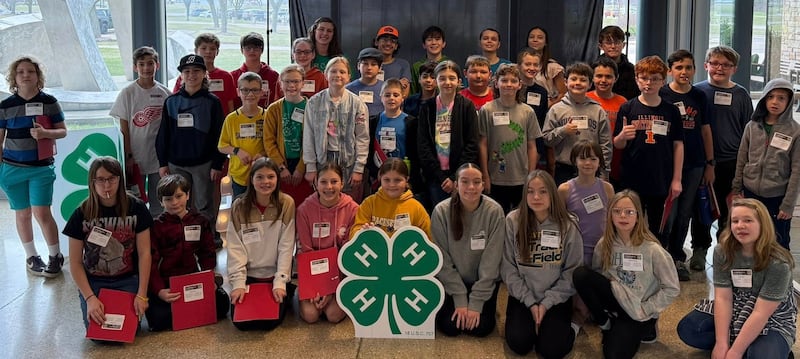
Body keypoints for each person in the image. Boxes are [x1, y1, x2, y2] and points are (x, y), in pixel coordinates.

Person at [677, 198, 796, 359]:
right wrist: (721, 343)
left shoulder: (779, 263)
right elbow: (723, 298)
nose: (740, 225)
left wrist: (735, 351)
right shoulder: (723, 251)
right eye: (735, 221)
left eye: (748, 220)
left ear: (763, 224)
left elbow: (761, 313)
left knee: (762, 355)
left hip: (770, 315)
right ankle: (748, 344)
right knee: (689, 329)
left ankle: (766, 347)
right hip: (736, 304)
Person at [572, 190, 680, 358]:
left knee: (613, 354)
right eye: (617, 211)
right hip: (616, 301)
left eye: (629, 212)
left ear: (638, 215)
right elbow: (598, 275)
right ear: (610, 215)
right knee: (581, 275)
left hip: (638, 311)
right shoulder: (604, 244)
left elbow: (672, 288)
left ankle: (646, 328)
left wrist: (647, 308)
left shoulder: (653, 249)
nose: (623, 216)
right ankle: (606, 323)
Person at [64, 157, 152, 329]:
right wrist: (90, 298)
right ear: (92, 182)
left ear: (120, 179)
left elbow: (145, 253)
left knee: (127, 329)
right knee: (100, 332)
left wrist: (141, 294)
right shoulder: (81, 214)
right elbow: (74, 262)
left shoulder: (137, 207)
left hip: (128, 278)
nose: (107, 185)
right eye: (101, 180)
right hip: (95, 282)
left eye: (112, 179)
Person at [502, 170, 582, 357]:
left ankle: (575, 324)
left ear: (552, 194)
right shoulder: (513, 220)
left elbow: (573, 270)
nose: (536, 196)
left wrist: (547, 303)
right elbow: (507, 267)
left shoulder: (568, 224)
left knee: (552, 351)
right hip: (523, 295)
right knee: (519, 344)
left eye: (543, 191)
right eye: (530, 191)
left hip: (556, 297)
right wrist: (530, 302)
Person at [0, 56, 67, 277]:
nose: (26, 75)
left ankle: (55, 255)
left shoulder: (49, 102)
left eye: (30, 71)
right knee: (22, 214)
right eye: (20, 72)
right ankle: (31, 256)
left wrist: (46, 134)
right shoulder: (5, 106)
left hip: (40, 167)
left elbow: (62, 131)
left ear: (38, 76)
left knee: (41, 212)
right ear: (14, 77)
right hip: (11, 168)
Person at [691, 45, 754, 268]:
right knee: (702, 207)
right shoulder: (696, 92)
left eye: (726, 65)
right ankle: (700, 249)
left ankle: (727, 250)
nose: (720, 68)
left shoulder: (741, 95)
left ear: (734, 69)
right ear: (706, 65)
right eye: (715, 63)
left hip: (732, 162)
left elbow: (750, 131)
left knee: (730, 209)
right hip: (702, 162)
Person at [613, 56, 684, 245]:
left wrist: (677, 179)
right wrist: (622, 137)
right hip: (632, 177)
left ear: (663, 80)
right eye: (643, 78)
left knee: (658, 227)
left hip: (660, 177)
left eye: (654, 78)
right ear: (636, 79)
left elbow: (678, 145)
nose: (648, 83)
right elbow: (618, 144)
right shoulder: (628, 107)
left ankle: (658, 262)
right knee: (630, 222)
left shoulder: (671, 111)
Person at [145, 174, 229, 331]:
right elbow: (151, 261)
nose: (175, 202)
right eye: (168, 199)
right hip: (167, 283)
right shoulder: (156, 226)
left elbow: (207, 253)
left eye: (179, 196)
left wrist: (208, 278)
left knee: (223, 305)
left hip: (192, 278)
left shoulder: (200, 221)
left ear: (188, 195)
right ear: (160, 201)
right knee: (158, 320)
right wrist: (159, 290)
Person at [431, 163, 505, 337]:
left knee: (481, 329)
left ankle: (486, 305)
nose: (471, 187)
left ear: (483, 184)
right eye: (465, 182)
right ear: (456, 185)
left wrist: (476, 303)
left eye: (476, 182)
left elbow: (492, 262)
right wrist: (459, 297)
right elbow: (442, 259)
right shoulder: (441, 211)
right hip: (454, 281)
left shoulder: (494, 212)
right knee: (449, 327)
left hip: (483, 282)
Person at [156, 54, 226, 233]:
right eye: (187, 71)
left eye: (196, 71)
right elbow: (163, 134)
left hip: (204, 163)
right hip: (176, 163)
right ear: (181, 75)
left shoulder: (213, 102)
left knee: (204, 204)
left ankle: (207, 237)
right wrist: (163, 163)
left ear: (204, 74)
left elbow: (220, 135)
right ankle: (177, 236)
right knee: (177, 202)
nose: (191, 75)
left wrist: (217, 164)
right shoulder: (171, 102)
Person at [660, 49, 713, 281]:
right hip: (668, 163)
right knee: (667, 214)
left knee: (684, 214)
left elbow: (705, 129)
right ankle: (662, 259)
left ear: (694, 69)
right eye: (679, 67)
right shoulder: (662, 94)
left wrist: (710, 163)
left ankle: (677, 257)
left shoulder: (700, 95)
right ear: (670, 70)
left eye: (688, 67)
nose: (684, 72)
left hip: (695, 163)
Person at [227, 158, 296, 331]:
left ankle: (288, 289)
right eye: (260, 177)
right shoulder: (239, 206)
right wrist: (238, 284)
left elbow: (286, 247)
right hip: (249, 276)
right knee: (241, 323)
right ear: (251, 179)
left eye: (271, 177)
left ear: (277, 179)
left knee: (270, 322)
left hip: (274, 276)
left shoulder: (286, 203)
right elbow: (235, 248)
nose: (265, 182)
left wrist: (280, 282)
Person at [731, 78, 799, 250]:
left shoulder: (795, 131)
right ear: (764, 99)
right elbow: (742, 158)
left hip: (777, 196)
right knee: (752, 237)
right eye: (771, 97)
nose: (775, 102)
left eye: (781, 98)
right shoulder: (752, 126)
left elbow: (797, 170)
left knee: (778, 241)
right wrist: (737, 188)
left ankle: (781, 275)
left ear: (789, 102)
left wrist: (788, 204)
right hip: (751, 192)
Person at [110, 46, 171, 217]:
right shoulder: (127, 93)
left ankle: (156, 235)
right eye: (141, 64)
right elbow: (124, 127)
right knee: (134, 200)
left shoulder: (165, 93)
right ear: (135, 67)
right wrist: (128, 155)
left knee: (158, 199)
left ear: (157, 66)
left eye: (150, 63)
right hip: (135, 158)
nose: (146, 68)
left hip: (158, 158)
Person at [295, 162, 358, 324]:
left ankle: (333, 296)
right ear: (315, 183)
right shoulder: (304, 210)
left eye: (334, 181)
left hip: (339, 274)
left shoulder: (353, 209)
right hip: (313, 273)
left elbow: (348, 253)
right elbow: (305, 251)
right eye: (323, 182)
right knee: (311, 316)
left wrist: (330, 289)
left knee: (333, 315)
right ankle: (302, 295)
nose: (329, 187)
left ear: (342, 183)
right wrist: (317, 287)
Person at [302, 57, 369, 203]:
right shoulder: (314, 102)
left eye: (342, 72)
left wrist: (359, 167)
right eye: (333, 71)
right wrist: (310, 166)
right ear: (326, 75)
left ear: (349, 76)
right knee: (325, 199)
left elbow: (362, 137)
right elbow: (309, 135)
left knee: (348, 202)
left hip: (349, 162)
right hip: (323, 160)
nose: (337, 75)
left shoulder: (357, 104)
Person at [477, 63, 541, 213]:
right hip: (495, 178)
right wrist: (485, 175)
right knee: (497, 217)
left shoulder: (527, 112)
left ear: (520, 85)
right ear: (496, 83)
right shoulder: (487, 109)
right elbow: (483, 144)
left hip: (521, 178)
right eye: (504, 80)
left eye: (513, 81)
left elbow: (532, 147)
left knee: (521, 219)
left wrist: (531, 176)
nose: (508, 84)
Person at [417, 60, 479, 210]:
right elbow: (423, 144)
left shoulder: (467, 106)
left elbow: (472, 143)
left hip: (461, 177)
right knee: (439, 220)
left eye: (452, 78)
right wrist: (442, 177)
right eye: (442, 78)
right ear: (436, 80)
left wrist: (454, 178)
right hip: (436, 177)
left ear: (459, 81)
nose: (447, 82)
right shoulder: (427, 107)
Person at [542, 62, 611, 185]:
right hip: (565, 169)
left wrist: (604, 171)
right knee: (565, 203)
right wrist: (563, 131)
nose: (578, 83)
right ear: (565, 82)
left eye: (583, 80)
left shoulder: (598, 110)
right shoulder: (556, 109)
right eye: (573, 79)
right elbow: (546, 139)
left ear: (590, 84)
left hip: (591, 168)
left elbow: (605, 144)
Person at [557, 140, 615, 266]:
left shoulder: (607, 189)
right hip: (575, 254)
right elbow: (559, 223)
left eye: (593, 159)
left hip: (602, 252)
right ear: (574, 160)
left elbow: (612, 221)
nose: (588, 163)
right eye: (582, 158)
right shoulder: (564, 189)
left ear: (599, 161)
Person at [264, 64, 314, 206]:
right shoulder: (273, 109)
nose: (291, 85)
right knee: (282, 205)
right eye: (287, 81)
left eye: (296, 81)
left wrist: (300, 168)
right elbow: (269, 140)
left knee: (303, 204)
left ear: (303, 83)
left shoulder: (311, 107)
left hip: (304, 164)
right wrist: (281, 167)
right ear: (280, 83)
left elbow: (312, 141)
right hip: (281, 165)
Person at [350, 158, 431, 239]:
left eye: (397, 180)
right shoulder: (369, 203)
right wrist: (362, 231)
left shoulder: (416, 208)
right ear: (380, 178)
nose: (392, 185)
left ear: (406, 180)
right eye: (387, 180)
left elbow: (428, 239)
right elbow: (354, 233)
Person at [218, 71, 267, 198]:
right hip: (239, 176)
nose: (250, 94)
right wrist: (237, 151)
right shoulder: (231, 118)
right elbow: (222, 146)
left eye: (255, 90)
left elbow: (275, 143)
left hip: (263, 175)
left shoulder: (268, 116)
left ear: (262, 92)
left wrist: (263, 154)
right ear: (238, 92)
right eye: (245, 90)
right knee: (240, 211)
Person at [368, 78, 417, 192]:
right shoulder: (373, 122)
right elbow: (369, 150)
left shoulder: (411, 122)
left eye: (396, 95)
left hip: (402, 176)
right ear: (381, 97)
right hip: (379, 175)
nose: (391, 98)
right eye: (387, 95)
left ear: (403, 97)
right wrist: (375, 173)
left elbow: (414, 153)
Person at [587, 57, 628, 190]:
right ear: (592, 78)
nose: (603, 80)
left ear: (616, 78)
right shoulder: (584, 99)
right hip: (588, 159)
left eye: (608, 76)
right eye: (599, 76)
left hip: (615, 162)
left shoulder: (623, 102)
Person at [172, 33, 236, 115]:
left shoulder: (226, 77)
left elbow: (230, 105)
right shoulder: (186, 77)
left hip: (220, 123)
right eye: (203, 48)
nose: (208, 52)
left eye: (212, 49)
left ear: (217, 52)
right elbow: (176, 102)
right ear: (196, 51)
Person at [517, 48, 550, 172]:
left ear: (540, 66)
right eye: (527, 64)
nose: (532, 68)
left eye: (535, 64)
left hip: (534, 143)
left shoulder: (541, 92)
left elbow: (541, 121)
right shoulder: (511, 88)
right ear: (519, 66)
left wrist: (539, 149)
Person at [230, 32, 283, 109]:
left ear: (262, 50)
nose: (252, 51)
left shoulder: (273, 76)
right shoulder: (233, 76)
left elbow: (278, 100)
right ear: (242, 50)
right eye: (248, 48)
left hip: (267, 118)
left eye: (256, 47)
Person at [526, 26, 566, 107]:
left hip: (547, 108)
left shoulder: (553, 67)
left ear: (545, 42)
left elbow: (563, 93)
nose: (535, 40)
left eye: (540, 37)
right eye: (531, 37)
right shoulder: (520, 66)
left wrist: (548, 107)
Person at [597, 25, 639, 100]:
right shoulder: (593, 69)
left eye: (617, 42)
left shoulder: (632, 71)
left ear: (623, 45)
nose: (613, 46)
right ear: (601, 46)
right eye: (608, 43)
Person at [373, 25, 412, 96]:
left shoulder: (403, 65)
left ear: (396, 46)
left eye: (392, 41)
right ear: (376, 42)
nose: (388, 43)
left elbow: (405, 94)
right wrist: (397, 84)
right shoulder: (368, 64)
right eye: (385, 40)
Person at [411, 26, 451, 95]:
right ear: (424, 45)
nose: (434, 43)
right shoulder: (416, 67)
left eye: (437, 39)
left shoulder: (450, 65)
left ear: (443, 44)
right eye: (429, 40)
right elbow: (413, 92)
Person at [347, 47, 385, 117]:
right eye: (365, 64)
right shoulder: (348, 89)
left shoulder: (385, 88)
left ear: (380, 68)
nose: (369, 68)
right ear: (358, 66)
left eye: (373, 64)